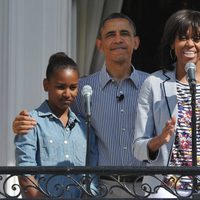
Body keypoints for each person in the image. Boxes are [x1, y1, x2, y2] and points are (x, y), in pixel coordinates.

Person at [13, 13, 148, 197]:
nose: (118, 39)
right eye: (110, 34)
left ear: (136, 42)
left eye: (124, 33)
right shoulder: (84, 88)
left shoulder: (153, 85)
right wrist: (22, 122)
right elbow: (53, 114)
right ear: (99, 45)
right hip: (104, 188)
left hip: (146, 187)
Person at [133, 9, 200, 198]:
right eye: (182, 37)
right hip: (165, 189)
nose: (190, 44)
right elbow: (138, 148)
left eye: (196, 38)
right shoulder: (154, 84)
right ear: (172, 43)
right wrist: (159, 140)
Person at [14, 52, 98, 198]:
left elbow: (92, 175)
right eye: (60, 87)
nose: (67, 93)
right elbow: (25, 173)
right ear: (46, 85)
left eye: (73, 87)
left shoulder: (84, 126)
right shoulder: (31, 123)